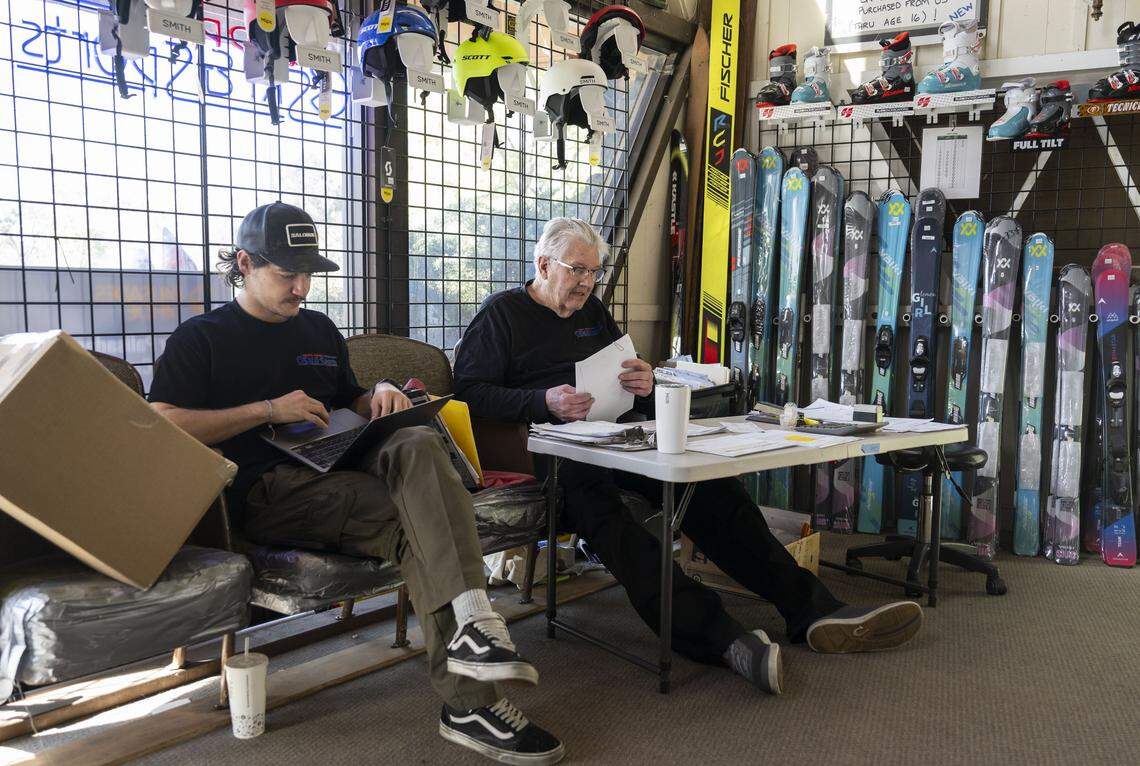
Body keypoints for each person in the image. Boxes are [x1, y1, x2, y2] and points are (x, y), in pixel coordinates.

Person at [149, 202, 563, 766]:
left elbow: (350, 398)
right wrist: (267, 410)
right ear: (244, 263)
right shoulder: (202, 337)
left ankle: (473, 625)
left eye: (308, 274)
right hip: (270, 491)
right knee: (422, 523)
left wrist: (381, 394)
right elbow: (164, 424)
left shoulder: (318, 329)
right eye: (287, 274)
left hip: (342, 463)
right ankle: (470, 699)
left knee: (416, 440)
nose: (301, 288)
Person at [453, 217, 924, 696]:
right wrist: (542, 401)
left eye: (594, 272)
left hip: (614, 434)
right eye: (577, 270)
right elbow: (467, 392)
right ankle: (721, 639)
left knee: (711, 490)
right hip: (550, 450)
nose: (587, 282)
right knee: (610, 519)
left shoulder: (592, 311)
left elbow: (622, 372)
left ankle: (813, 610)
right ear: (543, 265)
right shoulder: (501, 315)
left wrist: (643, 382)